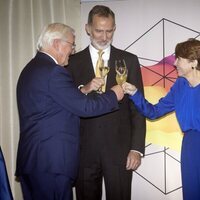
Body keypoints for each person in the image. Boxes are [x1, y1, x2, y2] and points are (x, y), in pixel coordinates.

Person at [15, 22, 124, 200]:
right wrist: (113, 94)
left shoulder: (31, 69)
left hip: (35, 163)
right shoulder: (53, 72)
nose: (72, 51)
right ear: (58, 44)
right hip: (52, 164)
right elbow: (84, 108)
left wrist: (84, 90)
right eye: (71, 45)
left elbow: (55, 105)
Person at [67, 5, 146, 200]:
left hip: (120, 150)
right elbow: (66, 104)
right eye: (99, 31)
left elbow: (138, 107)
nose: (104, 37)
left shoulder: (129, 60)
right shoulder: (71, 62)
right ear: (87, 29)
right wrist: (83, 89)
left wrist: (136, 148)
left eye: (109, 31)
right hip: (83, 151)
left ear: (115, 28)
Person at [122, 38, 200, 200]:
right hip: (190, 148)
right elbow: (153, 112)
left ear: (193, 62)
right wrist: (135, 93)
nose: (175, 63)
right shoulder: (179, 86)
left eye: (179, 58)